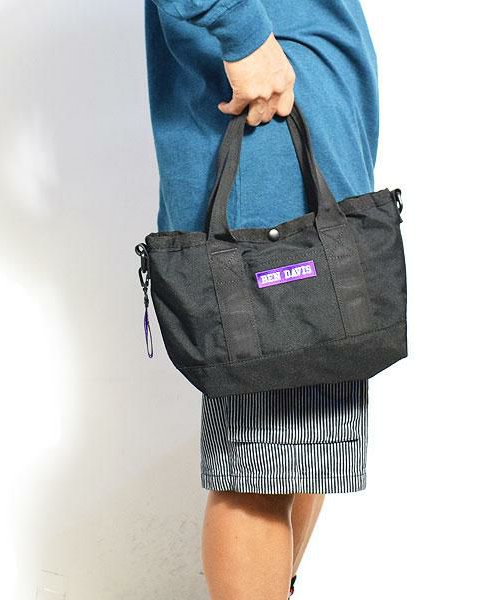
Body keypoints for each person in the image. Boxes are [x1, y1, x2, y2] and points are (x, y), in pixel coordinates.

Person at [144, 1, 379, 598]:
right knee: (262, 467)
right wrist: (243, 34)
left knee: (309, 447)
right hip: (263, 128)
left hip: (311, 125)